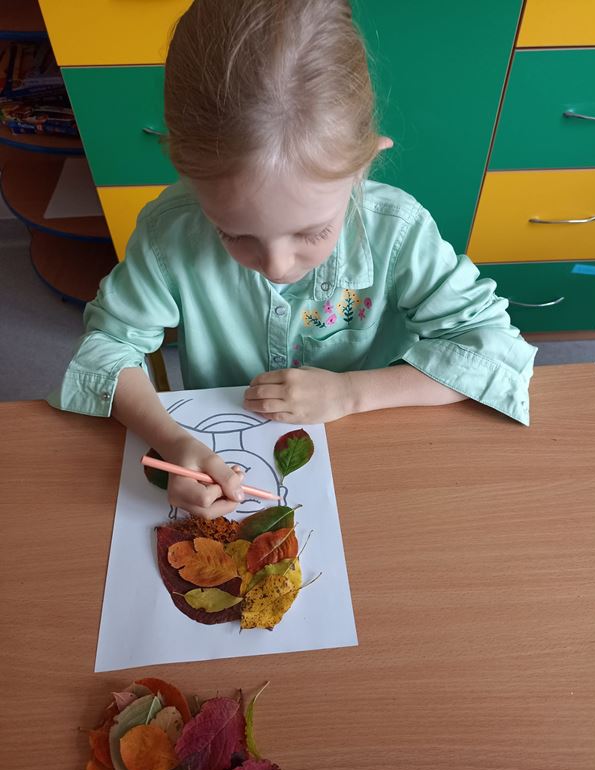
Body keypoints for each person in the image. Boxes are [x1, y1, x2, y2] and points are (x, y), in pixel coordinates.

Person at [49, 0, 536, 519]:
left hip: (378, 460)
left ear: (362, 164)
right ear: (186, 173)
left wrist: (349, 394)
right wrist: (173, 441)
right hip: (228, 453)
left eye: (312, 232)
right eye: (234, 234)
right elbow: (107, 348)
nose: (278, 266)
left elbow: (492, 348)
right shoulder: (170, 233)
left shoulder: (398, 232)